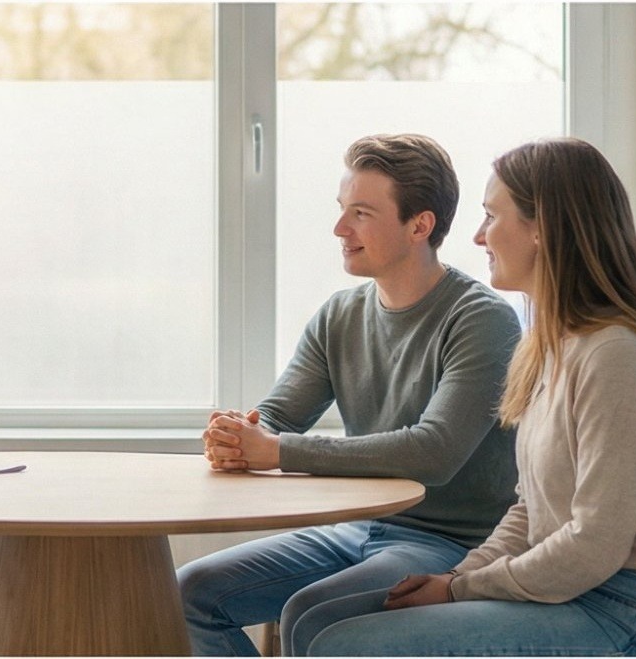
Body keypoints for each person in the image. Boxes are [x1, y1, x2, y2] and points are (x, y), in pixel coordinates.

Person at [296, 136, 636, 656]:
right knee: (323, 628)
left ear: (542, 229)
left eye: (492, 217)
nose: (477, 236)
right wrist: (457, 577)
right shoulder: (553, 345)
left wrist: (461, 588)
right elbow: (529, 509)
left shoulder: (616, 354)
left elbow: (595, 544)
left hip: (627, 611)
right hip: (578, 594)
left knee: (345, 645)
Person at [180, 133, 523, 656]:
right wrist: (238, 434)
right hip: (356, 527)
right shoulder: (340, 314)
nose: (339, 228)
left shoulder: (482, 320)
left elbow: (433, 453)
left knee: (311, 615)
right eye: (342, 209)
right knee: (190, 593)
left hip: (450, 544)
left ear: (419, 225)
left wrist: (275, 450)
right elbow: (279, 417)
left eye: (360, 213)